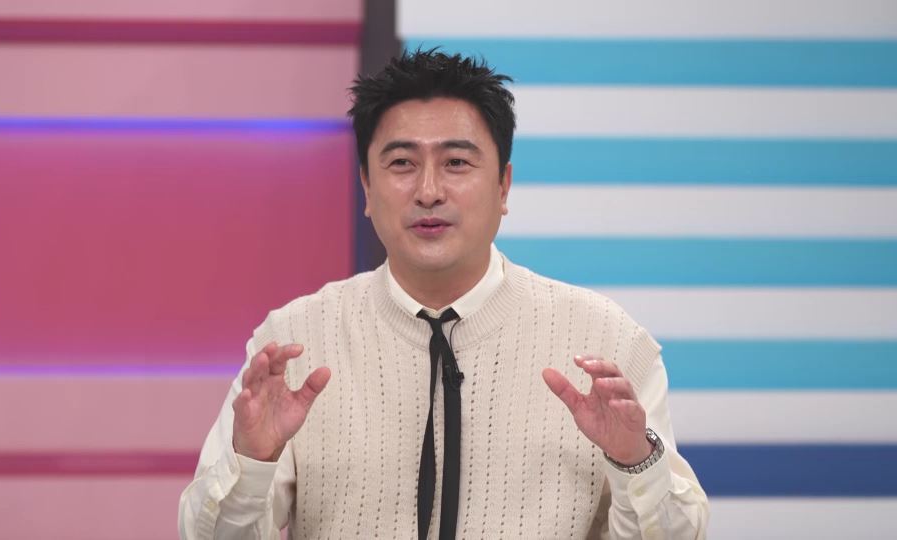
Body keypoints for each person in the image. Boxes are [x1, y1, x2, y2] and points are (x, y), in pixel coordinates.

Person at [179, 50, 709, 539]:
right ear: (366, 187)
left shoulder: (606, 342)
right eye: (402, 163)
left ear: (503, 186)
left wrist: (635, 462)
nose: (429, 191)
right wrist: (252, 461)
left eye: (456, 162)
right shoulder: (292, 344)